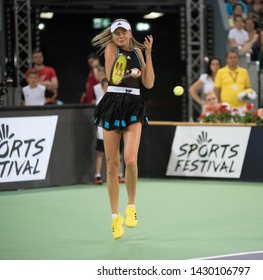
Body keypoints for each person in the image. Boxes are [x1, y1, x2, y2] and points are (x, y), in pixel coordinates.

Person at [91, 18, 154, 240]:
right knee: (111, 165)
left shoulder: (137, 52)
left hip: (134, 105)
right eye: (116, 33)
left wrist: (147, 55)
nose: (119, 36)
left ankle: (131, 207)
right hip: (113, 104)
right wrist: (131, 74)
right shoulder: (111, 48)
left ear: (129, 33)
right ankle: (115, 217)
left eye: (123, 32)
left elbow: (148, 84)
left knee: (130, 160)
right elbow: (112, 77)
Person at [92, 68, 126, 184]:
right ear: (102, 88)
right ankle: (97, 176)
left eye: (109, 86)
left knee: (118, 153)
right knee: (100, 154)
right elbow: (95, 118)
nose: (107, 89)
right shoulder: (101, 101)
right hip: (102, 132)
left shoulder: (116, 99)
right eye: (105, 87)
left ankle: (119, 175)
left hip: (116, 130)